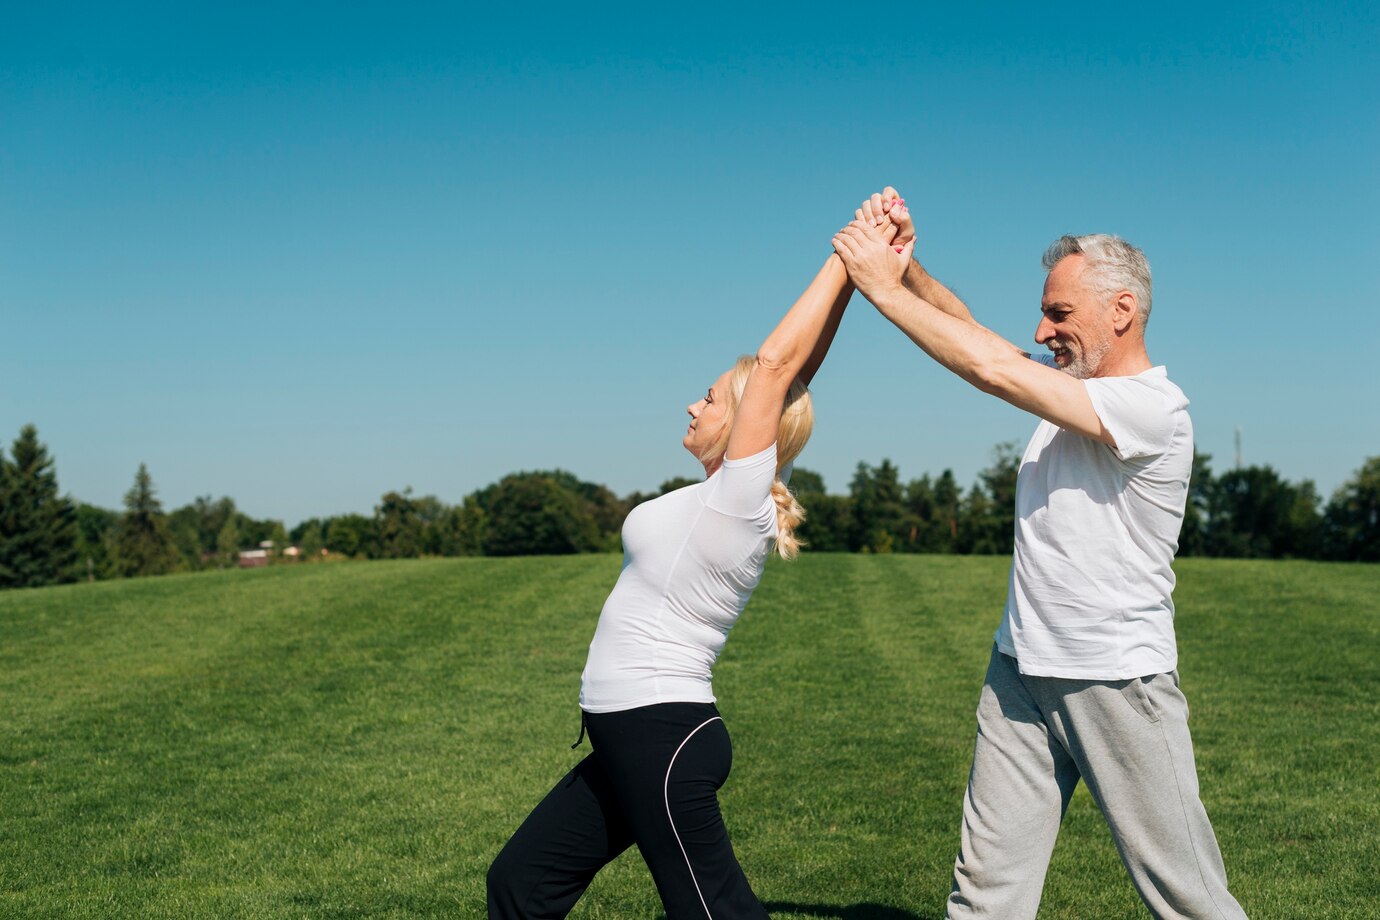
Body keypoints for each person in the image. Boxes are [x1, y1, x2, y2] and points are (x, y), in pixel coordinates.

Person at [832, 191, 1248, 920]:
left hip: (1115, 679)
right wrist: (905, 267)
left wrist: (875, 289)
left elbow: (994, 370)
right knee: (984, 896)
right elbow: (980, 340)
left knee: (1189, 901)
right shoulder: (1072, 392)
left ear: (1121, 310)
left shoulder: (1152, 409)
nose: (1042, 329)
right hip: (1019, 671)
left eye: (1059, 314)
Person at [487, 211, 897, 919]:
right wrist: (856, 282)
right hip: (629, 737)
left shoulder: (736, 502)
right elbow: (794, 372)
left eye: (708, 398)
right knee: (519, 883)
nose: (691, 402)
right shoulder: (719, 497)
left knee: (713, 913)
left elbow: (775, 368)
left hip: (662, 734)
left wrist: (847, 255)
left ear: (744, 424)